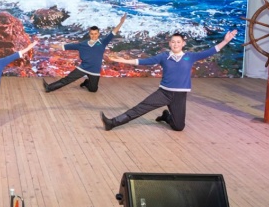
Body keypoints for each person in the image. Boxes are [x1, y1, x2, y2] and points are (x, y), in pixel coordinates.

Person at [100, 29, 238, 131]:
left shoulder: (190, 56)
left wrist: (225, 41)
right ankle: (112, 123)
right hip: (163, 93)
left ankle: (167, 117)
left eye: (178, 42)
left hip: (179, 96)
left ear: (183, 43)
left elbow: (211, 51)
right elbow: (143, 61)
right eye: (173, 42)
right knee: (140, 108)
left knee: (179, 127)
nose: (175, 44)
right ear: (169, 43)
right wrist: (122, 60)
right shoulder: (163, 56)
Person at [42, 15, 127, 93]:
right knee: (67, 79)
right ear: (89, 34)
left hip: (95, 70)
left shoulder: (103, 42)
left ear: (98, 34)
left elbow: (113, 33)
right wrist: (53, 46)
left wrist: (121, 22)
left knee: (93, 90)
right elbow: (67, 46)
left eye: (95, 34)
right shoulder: (83, 44)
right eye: (92, 34)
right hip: (83, 68)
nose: (94, 36)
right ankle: (49, 87)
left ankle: (86, 83)